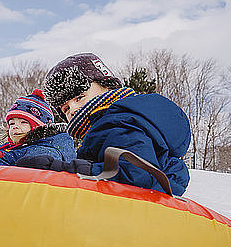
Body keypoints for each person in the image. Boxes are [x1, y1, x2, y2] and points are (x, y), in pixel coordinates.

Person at [16, 53, 191, 196]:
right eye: (65, 108)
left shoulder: (119, 124)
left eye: (79, 97)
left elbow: (135, 178)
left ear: (106, 87)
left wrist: (56, 169)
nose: (73, 109)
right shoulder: (105, 129)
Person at [0, 89, 76, 166]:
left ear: (39, 127)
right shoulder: (19, 146)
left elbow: (34, 162)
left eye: (23, 122)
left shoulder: (47, 148)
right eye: (12, 124)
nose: (15, 127)